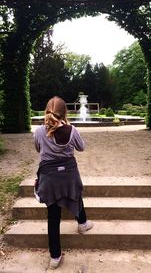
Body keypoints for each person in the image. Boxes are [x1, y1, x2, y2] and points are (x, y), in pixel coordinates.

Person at [34, 96, 93, 270]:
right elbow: (81, 148)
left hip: (49, 178)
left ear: (47, 111)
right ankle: (82, 224)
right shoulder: (72, 130)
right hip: (68, 175)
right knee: (76, 194)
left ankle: (55, 257)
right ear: (64, 113)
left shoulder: (38, 131)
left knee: (53, 217)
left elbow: (38, 148)